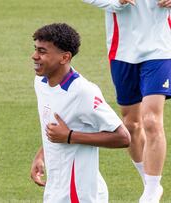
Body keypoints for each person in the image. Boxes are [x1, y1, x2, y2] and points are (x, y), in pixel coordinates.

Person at [30, 23, 131, 203]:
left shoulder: (83, 92)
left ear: (64, 57)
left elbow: (123, 137)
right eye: (35, 49)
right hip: (55, 190)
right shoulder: (41, 83)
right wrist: (42, 154)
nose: (34, 56)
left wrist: (69, 136)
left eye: (42, 51)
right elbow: (55, 128)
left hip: (80, 193)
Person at [82, 0, 171, 202]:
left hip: (161, 48)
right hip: (122, 51)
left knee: (151, 120)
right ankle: (148, 181)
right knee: (131, 124)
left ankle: (151, 190)